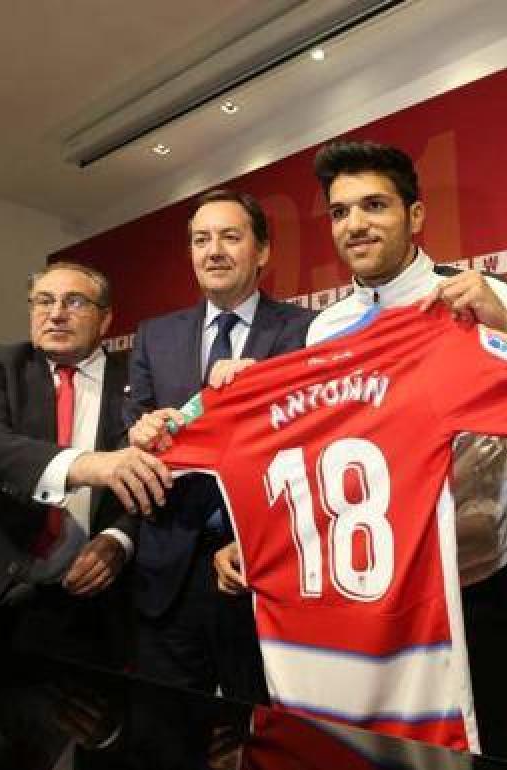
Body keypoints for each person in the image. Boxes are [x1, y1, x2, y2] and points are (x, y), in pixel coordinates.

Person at [216, 140, 507, 761]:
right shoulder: (324, 329)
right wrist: (260, 538)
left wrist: (499, 325)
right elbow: (322, 462)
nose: (355, 224)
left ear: (416, 216)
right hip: (367, 600)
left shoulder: (479, 299)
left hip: (470, 591)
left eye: (374, 205)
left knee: (479, 756)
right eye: (340, 212)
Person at [0, 261, 172, 662]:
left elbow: (165, 476)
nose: (56, 313)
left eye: (74, 301)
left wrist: (120, 540)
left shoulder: (142, 382)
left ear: (106, 319)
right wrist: (89, 465)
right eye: (44, 301)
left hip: (93, 606)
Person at [125, 189, 314, 700]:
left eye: (231, 237)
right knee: (166, 731)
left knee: (260, 727)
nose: (214, 251)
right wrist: (141, 433)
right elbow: (135, 423)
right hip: (169, 570)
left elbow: (317, 438)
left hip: (264, 565)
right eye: (201, 239)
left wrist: (265, 391)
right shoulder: (154, 335)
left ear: (263, 251)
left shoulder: (307, 331)